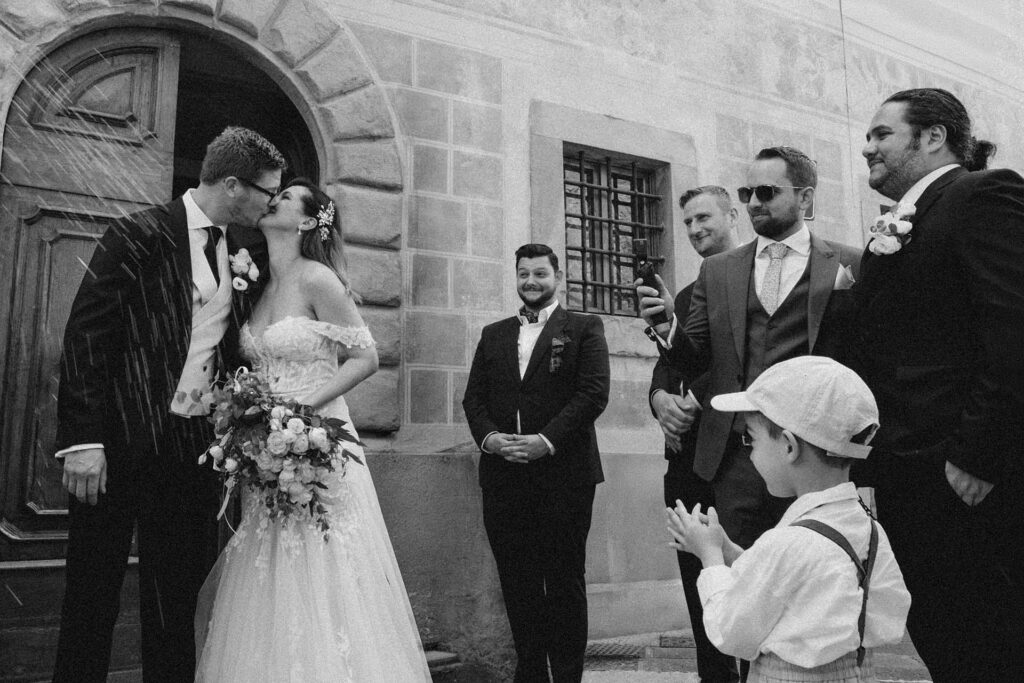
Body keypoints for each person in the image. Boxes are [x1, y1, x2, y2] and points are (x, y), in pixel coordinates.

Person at [53, 126, 285, 683]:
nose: (270, 204)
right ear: (233, 185)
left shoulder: (243, 254)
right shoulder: (138, 233)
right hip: (113, 449)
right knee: (92, 597)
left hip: (190, 457)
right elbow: (87, 336)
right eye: (266, 193)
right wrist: (83, 442)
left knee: (172, 603)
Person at [193, 178, 431, 681]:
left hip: (314, 437)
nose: (271, 199)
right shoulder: (257, 283)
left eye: (284, 198)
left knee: (320, 557)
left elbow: (366, 357)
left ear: (305, 221)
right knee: (270, 555)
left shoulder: (317, 278)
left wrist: (302, 409)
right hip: (268, 447)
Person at [845, 87, 1024, 682]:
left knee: (989, 644)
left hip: (963, 479)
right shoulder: (902, 222)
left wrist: (978, 456)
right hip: (910, 474)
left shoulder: (980, 195)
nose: (867, 147)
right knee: (947, 643)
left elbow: (1012, 328)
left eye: (880, 135)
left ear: (933, 137)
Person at [637, 147, 861, 581]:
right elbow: (696, 357)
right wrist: (666, 326)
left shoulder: (849, 263)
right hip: (738, 459)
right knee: (743, 581)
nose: (754, 201)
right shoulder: (719, 270)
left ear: (806, 198)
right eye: (747, 192)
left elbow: (864, 358)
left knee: (814, 579)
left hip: (815, 461)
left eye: (767, 191)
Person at [666, 356, 910, 683]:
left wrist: (710, 558)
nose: (750, 453)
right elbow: (878, 609)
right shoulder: (868, 530)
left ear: (789, 446)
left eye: (750, 438)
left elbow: (729, 631)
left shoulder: (786, 544)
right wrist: (729, 550)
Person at [462, 243, 610, 683]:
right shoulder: (494, 333)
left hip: (565, 476)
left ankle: (566, 677)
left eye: (540, 274)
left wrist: (547, 441)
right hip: (504, 478)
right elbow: (474, 398)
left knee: (563, 581)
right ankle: (530, 673)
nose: (531, 281)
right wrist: (491, 439)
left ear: (557, 277)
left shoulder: (584, 327)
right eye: (523, 273)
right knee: (518, 582)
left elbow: (592, 395)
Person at [648, 186, 741, 683]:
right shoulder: (684, 294)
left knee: (745, 588)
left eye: (704, 217)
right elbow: (667, 365)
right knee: (699, 588)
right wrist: (661, 400)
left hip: (735, 461)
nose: (694, 229)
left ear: (732, 215)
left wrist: (697, 399)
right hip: (684, 463)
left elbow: (738, 358)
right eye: (686, 222)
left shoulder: (750, 277)